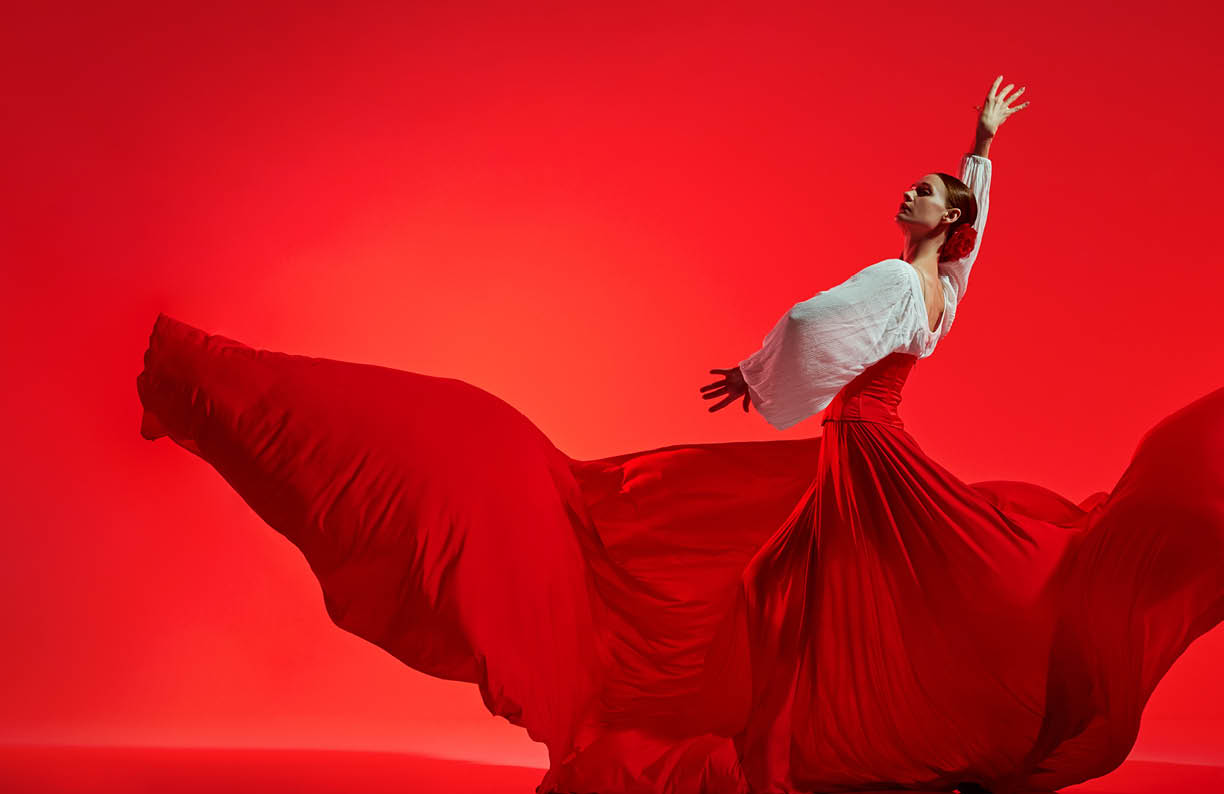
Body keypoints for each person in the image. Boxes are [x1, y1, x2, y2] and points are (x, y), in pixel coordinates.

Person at [136, 76, 1224, 794]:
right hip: (880, 454)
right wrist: (981, 146)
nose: (909, 193)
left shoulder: (898, 281)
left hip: (865, 456)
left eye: (925, 192)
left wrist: (755, 376)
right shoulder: (948, 288)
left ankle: (813, 728)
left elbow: (811, 325)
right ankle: (835, 715)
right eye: (920, 187)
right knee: (813, 590)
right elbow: (956, 248)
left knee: (801, 592)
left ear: (936, 221)